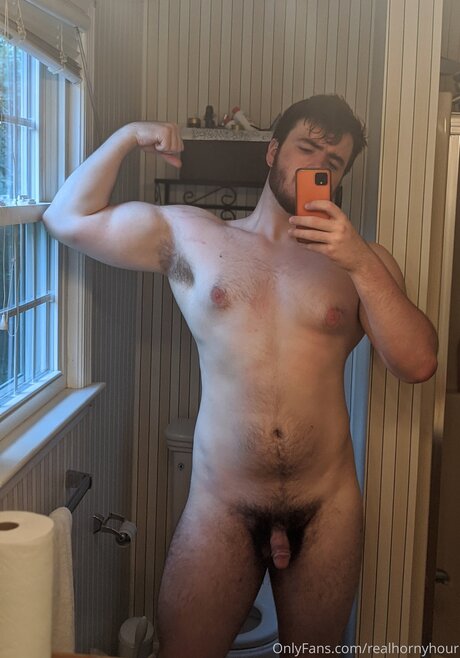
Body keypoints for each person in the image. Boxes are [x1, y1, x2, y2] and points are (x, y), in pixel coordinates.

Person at [43, 94, 438, 656]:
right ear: (273, 152)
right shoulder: (196, 236)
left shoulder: (362, 263)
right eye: (306, 147)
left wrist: (358, 260)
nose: (318, 165)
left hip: (326, 507)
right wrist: (129, 135)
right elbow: (67, 218)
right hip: (222, 503)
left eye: (334, 161)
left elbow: (417, 363)